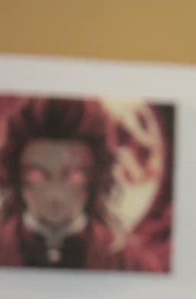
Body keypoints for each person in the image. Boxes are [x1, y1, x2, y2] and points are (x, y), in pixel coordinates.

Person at [0, 97, 129, 270]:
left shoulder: (130, 262)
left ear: (95, 179)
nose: (55, 193)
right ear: (16, 176)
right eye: (38, 176)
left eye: (73, 177)